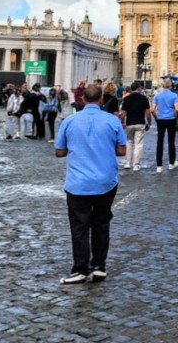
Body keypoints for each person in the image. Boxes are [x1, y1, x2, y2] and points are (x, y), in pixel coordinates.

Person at [54, 82, 127, 284]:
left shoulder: (70, 121)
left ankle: (80, 268)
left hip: (78, 183)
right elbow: (122, 151)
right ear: (101, 99)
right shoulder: (112, 121)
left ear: (83, 99)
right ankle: (99, 266)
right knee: (101, 223)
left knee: (79, 227)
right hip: (105, 181)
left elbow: (59, 151)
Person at [121, 81, 151, 171]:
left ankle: (127, 163)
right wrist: (149, 123)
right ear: (138, 88)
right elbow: (148, 113)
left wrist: (122, 122)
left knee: (129, 142)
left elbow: (123, 113)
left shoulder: (126, 99)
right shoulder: (144, 99)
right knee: (138, 144)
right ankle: (136, 165)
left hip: (129, 123)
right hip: (140, 123)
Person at [151, 77, 178, 172]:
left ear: (162, 85)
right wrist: (175, 117)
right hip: (171, 119)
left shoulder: (157, 95)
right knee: (171, 142)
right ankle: (171, 163)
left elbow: (152, 110)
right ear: (170, 85)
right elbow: (177, 109)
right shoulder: (174, 95)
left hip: (161, 119)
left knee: (160, 142)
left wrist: (156, 118)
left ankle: (159, 166)